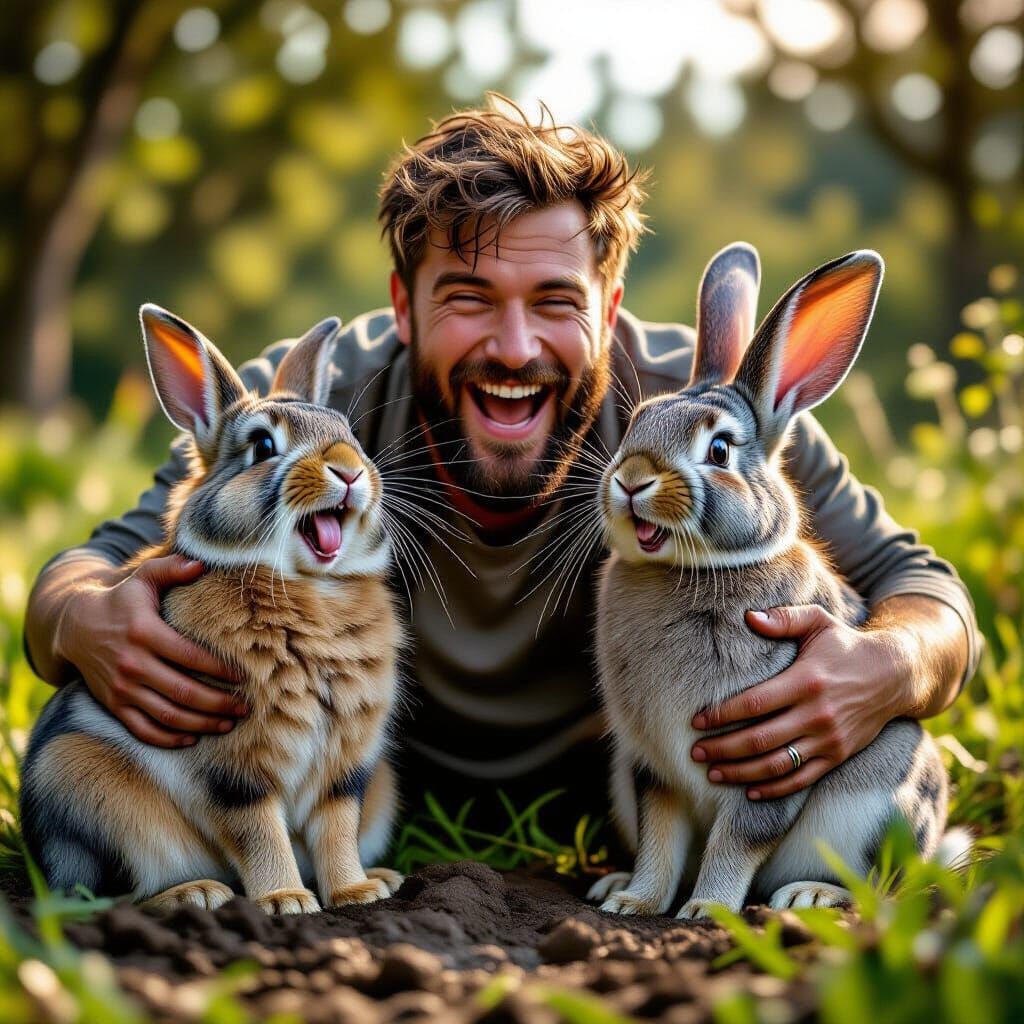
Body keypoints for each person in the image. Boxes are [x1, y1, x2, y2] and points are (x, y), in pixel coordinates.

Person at [25, 99, 981, 834]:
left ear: (608, 310)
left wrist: (885, 668)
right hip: (372, 800)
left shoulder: (701, 421)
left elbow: (925, 590)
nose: (515, 347)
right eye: (471, 297)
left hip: (647, 804)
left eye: (555, 300)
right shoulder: (322, 416)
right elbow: (86, 569)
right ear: (404, 307)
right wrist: (83, 620)